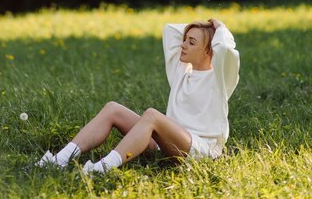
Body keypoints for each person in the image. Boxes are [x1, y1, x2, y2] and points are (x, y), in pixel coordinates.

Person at [35, 18, 240, 174]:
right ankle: (60, 159)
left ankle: (103, 168)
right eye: (185, 40)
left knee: (151, 115)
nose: (183, 45)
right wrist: (202, 28)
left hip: (201, 152)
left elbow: (227, 52)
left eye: (192, 42)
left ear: (209, 51)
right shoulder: (182, 72)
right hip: (167, 145)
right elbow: (170, 31)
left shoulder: (220, 78)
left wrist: (220, 28)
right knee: (113, 108)